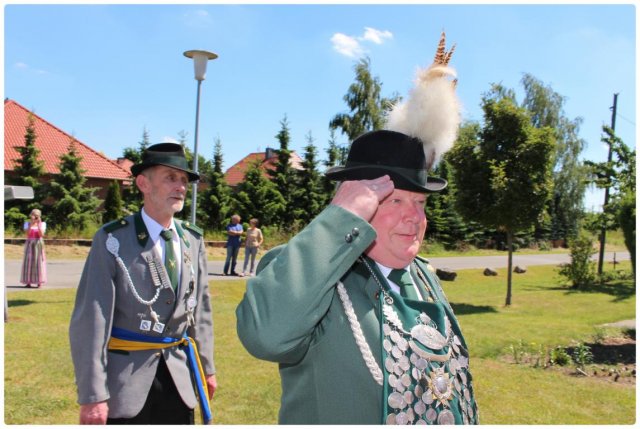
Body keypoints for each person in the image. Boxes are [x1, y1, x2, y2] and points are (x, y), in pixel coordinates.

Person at [236, 33, 478, 425]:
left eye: (420, 202)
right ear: (357, 206)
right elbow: (265, 334)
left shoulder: (421, 277)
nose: (414, 217)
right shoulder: (314, 274)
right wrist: (338, 220)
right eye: (396, 200)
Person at [69, 143, 216, 425]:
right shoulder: (113, 239)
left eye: (184, 180)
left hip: (179, 378)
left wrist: (206, 368)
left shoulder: (192, 241)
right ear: (143, 183)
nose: (181, 187)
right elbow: (92, 320)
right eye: (170, 178)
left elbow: (201, 313)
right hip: (126, 383)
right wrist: (92, 395)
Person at [20, 208, 47, 288]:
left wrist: (38, 225)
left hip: (38, 243)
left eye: (37, 215)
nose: (35, 217)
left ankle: (39, 282)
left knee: (38, 262)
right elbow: (27, 234)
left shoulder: (42, 224)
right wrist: (31, 224)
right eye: (33, 215)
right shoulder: (27, 224)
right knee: (28, 262)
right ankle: (28, 282)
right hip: (30, 243)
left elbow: (41, 235)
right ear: (30, 215)